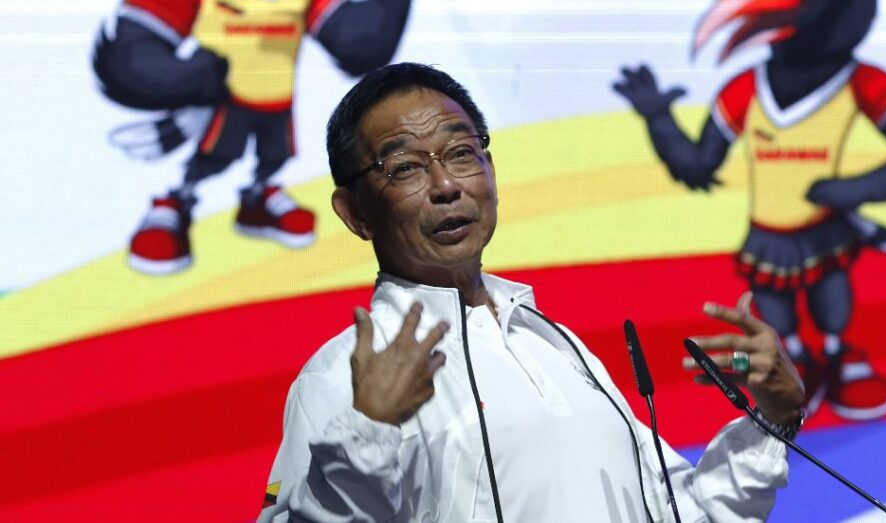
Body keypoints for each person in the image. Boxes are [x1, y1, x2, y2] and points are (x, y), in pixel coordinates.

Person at [258, 63, 805, 522]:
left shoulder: (552, 345)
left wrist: (772, 420)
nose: (446, 185)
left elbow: (677, 514)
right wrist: (366, 431)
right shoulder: (341, 377)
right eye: (404, 167)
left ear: (490, 170)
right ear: (355, 213)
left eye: (461, 153)